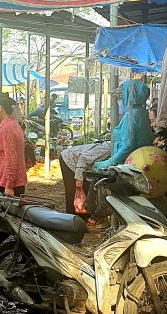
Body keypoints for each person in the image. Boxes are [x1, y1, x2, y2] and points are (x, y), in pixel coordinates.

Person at [58, 79, 153, 213]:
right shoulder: (142, 113)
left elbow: (127, 145)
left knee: (80, 187)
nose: (120, 100)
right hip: (70, 159)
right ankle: (76, 216)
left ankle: (79, 216)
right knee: (76, 189)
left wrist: (107, 163)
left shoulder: (131, 116)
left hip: (126, 161)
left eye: (122, 95)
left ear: (129, 95)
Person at [0, 92, 28, 196]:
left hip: (6, 185)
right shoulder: (12, 124)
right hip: (10, 182)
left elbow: (11, 158)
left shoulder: (7, 128)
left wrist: (9, 185)